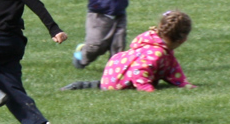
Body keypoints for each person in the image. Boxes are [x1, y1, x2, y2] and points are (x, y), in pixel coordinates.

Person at [60, 10, 195, 92]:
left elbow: (171, 68)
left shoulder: (158, 43)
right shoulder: (156, 53)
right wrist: (146, 88)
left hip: (115, 71)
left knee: (96, 85)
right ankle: (79, 86)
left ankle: (84, 85)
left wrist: (183, 83)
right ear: (182, 39)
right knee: (98, 86)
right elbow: (139, 71)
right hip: (116, 81)